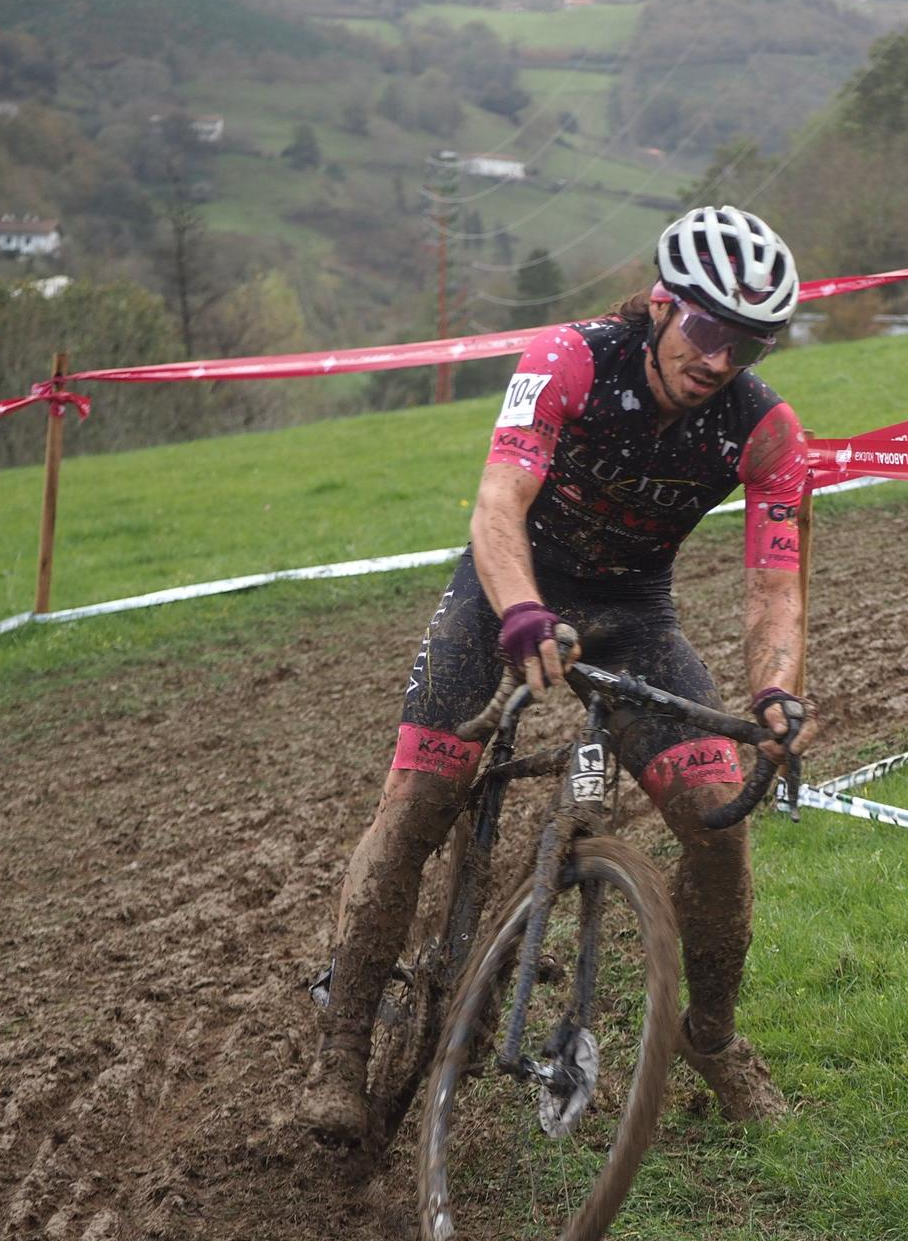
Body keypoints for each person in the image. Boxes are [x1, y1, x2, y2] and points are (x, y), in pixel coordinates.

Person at [300, 205, 815, 1147]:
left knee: (716, 825)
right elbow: (500, 500)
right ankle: (340, 1048)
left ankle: (712, 1039)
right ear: (662, 306)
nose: (719, 360)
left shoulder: (767, 430)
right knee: (420, 801)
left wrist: (775, 692)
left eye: (748, 344)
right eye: (706, 331)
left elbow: (774, 583)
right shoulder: (571, 359)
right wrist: (524, 608)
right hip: (511, 586)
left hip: (634, 616)